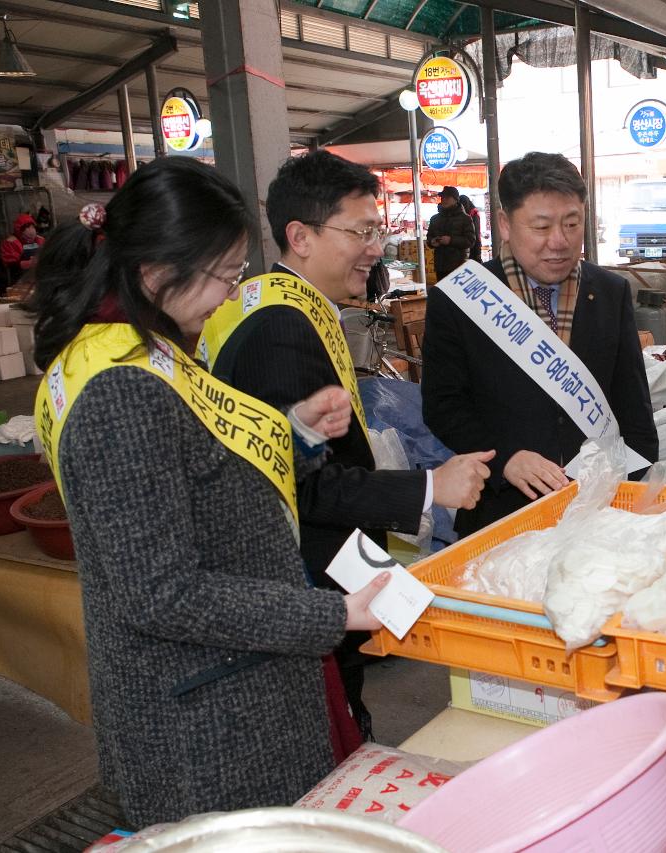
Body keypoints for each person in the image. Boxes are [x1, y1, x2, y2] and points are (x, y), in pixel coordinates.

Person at [27, 157, 393, 827]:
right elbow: (160, 591)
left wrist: (295, 431)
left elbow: (198, 468)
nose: (232, 294)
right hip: (205, 718)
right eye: (225, 273)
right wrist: (333, 616)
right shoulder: (121, 390)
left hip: (228, 690)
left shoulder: (142, 348)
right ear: (155, 269)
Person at [201, 150, 493, 740]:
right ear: (300, 236)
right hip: (305, 576)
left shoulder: (277, 303)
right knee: (329, 724)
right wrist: (433, 486)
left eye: (377, 229)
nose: (376, 247)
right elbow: (303, 485)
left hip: (327, 562)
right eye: (360, 231)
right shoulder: (283, 328)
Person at [422, 152, 659, 536]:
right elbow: (443, 405)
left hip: (601, 511)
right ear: (504, 224)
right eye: (541, 226)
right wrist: (506, 458)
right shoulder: (460, 299)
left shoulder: (611, 292)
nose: (559, 242)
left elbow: (633, 406)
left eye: (572, 223)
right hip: (502, 513)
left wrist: (634, 489)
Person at [426, 185, 476, 279]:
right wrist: (432, 242)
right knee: (442, 293)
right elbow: (429, 238)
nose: (444, 199)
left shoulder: (465, 218)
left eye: (447, 197)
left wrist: (451, 240)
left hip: (459, 267)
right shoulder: (435, 219)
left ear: (455, 199)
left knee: (457, 293)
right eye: (442, 197)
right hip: (440, 266)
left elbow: (471, 240)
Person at [0, 212, 44, 296]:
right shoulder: (11, 242)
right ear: (19, 230)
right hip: (20, 284)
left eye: (32, 226)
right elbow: (11, 265)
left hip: (39, 282)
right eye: (26, 227)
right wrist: (29, 263)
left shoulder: (40, 240)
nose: (30, 230)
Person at [459, 194, 484, 263]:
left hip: (473, 247)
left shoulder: (474, 214)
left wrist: (478, 252)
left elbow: (476, 233)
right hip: (468, 247)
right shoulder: (468, 213)